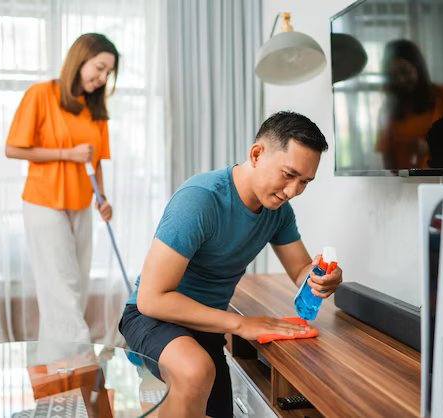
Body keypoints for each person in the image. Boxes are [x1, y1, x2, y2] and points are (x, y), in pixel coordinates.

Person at [119, 111, 344, 418]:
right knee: (196, 371)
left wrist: (320, 278)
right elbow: (150, 298)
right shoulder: (200, 200)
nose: (293, 191)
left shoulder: (278, 211)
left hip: (206, 325)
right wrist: (241, 324)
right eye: (288, 174)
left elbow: (300, 269)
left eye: (304, 181)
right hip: (152, 317)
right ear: (256, 154)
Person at [5, 33, 119, 344]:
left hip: (81, 202)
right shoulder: (41, 94)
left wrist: (102, 199)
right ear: (79, 59)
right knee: (61, 286)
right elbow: (13, 149)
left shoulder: (95, 109)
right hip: (44, 202)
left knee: (76, 287)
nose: (102, 77)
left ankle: (58, 374)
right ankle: (78, 360)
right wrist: (66, 154)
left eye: (108, 73)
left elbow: (95, 163)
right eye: (99, 68)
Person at [375, 39, 443, 171]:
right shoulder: (388, 109)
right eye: (393, 75)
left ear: (418, 67)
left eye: (404, 71)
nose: (400, 80)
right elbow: (387, 156)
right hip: (407, 185)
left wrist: (431, 147)